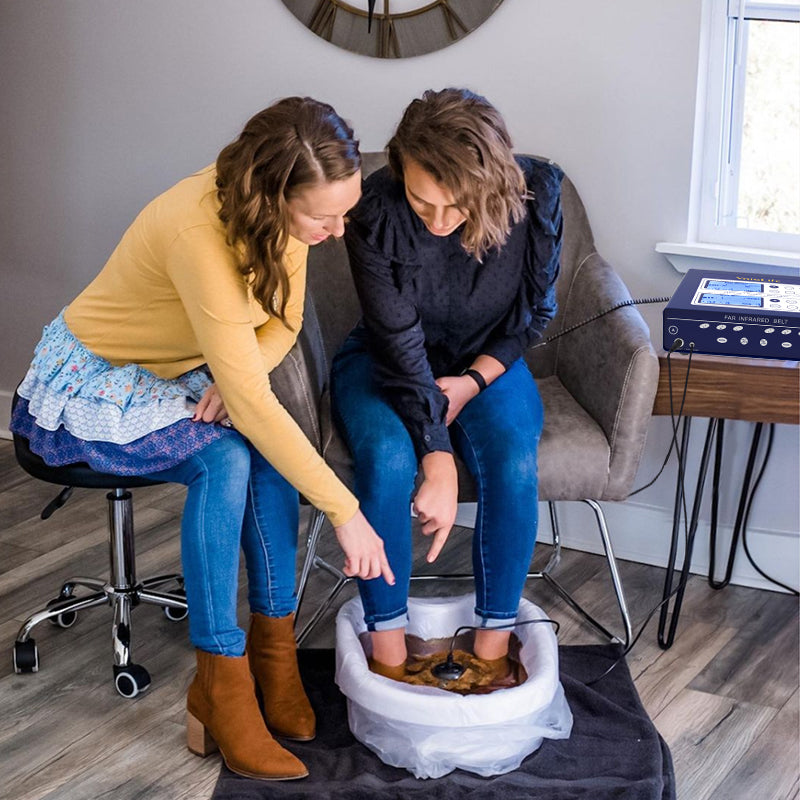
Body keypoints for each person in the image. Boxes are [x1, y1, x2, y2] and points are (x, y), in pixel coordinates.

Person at [10, 97, 394, 781]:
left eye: (346, 211)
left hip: (176, 369)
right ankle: (220, 685)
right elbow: (250, 394)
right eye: (325, 216)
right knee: (226, 457)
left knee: (267, 451)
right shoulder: (198, 232)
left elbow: (283, 321)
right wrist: (347, 511)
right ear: (276, 195)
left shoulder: (287, 225)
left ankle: (274, 660)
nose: (339, 232)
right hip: (95, 381)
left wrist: (237, 380)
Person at [331, 88, 563, 687]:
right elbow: (399, 341)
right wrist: (436, 452)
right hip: (387, 358)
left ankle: (491, 652)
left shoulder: (538, 195)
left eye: (456, 205)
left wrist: (471, 382)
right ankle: (387, 658)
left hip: (485, 363)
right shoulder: (374, 209)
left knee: (512, 460)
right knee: (385, 459)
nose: (438, 221)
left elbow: (533, 314)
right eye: (421, 200)